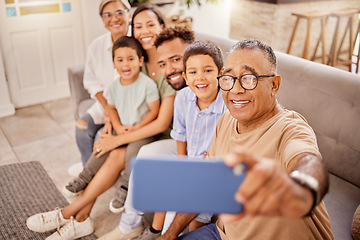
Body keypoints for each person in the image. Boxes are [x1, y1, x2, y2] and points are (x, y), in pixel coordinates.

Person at [176, 39, 334, 240]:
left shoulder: (290, 128)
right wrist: (169, 235)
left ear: (274, 85)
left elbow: (307, 160)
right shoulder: (226, 120)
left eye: (249, 78)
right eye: (229, 78)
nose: (236, 89)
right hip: (223, 234)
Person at [26, 36, 160, 240]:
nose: (126, 64)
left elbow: (154, 113)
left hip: (141, 132)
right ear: (114, 63)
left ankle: (79, 210)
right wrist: (114, 126)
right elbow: (111, 108)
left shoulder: (148, 83)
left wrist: (134, 129)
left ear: (140, 61)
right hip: (122, 128)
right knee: (101, 147)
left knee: (125, 152)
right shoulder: (115, 86)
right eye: (120, 60)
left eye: (131, 59)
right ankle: (82, 181)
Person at [62, 4, 171, 215]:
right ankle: (84, 183)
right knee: (87, 132)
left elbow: (157, 116)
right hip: (116, 111)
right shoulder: (124, 54)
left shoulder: (154, 62)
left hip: (143, 124)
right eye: (140, 26)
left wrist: (122, 133)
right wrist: (113, 123)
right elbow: (109, 95)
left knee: (118, 148)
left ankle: (112, 193)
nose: (114, 18)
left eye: (119, 12)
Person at [98, 27, 203, 240]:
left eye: (176, 59)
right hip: (185, 147)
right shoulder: (180, 95)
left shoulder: (206, 84)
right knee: (145, 155)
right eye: (163, 64)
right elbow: (181, 134)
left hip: (207, 154)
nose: (170, 69)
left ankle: (159, 233)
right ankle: (129, 225)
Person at [139, 40, 228, 240]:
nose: (200, 78)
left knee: (193, 219)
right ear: (186, 77)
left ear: (220, 73)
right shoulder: (183, 98)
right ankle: (159, 232)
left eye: (207, 70)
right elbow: (181, 135)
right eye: (193, 72)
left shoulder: (226, 106)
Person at [76, 0, 131, 166]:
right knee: (81, 127)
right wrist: (107, 107)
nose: (114, 19)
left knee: (102, 138)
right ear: (102, 19)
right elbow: (91, 81)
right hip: (104, 104)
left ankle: (99, 176)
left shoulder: (138, 42)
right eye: (107, 15)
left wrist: (113, 114)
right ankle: (88, 172)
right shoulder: (96, 46)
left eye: (119, 12)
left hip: (129, 107)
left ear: (129, 13)